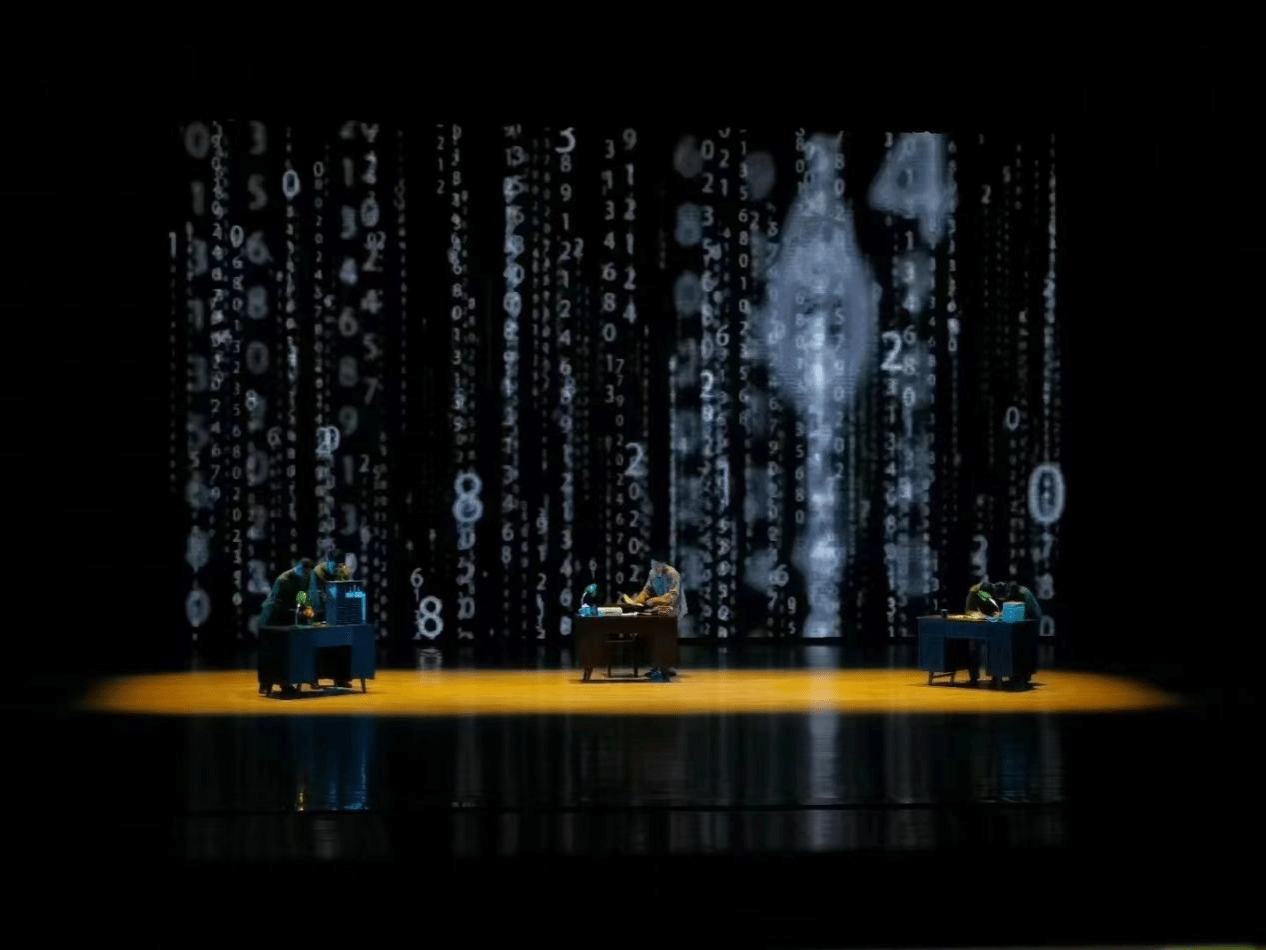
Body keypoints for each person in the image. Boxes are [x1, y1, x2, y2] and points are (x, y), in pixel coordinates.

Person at [620, 554, 686, 681]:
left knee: (666, 630)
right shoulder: (652, 573)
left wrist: (655, 600)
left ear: (663, 564)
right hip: (659, 607)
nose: (653, 567)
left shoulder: (673, 574)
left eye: (656, 565)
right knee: (651, 629)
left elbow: (672, 596)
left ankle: (667, 665)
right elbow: (647, 590)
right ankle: (655, 665)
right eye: (652, 565)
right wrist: (636, 601)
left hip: (673, 607)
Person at [259, 558, 316, 627]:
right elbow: (287, 600)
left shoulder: (305, 577)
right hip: (275, 613)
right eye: (306, 572)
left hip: (286, 612)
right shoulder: (284, 579)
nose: (307, 574)